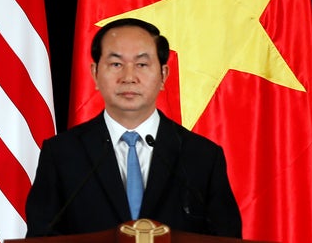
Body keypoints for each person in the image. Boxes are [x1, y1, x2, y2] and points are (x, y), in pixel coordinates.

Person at [24, 18, 241, 237]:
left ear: (163, 75)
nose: (128, 77)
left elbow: (226, 238)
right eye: (116, 64)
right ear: (95, 73)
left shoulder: (202, 156)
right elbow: (41, 237)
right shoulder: (62, 153)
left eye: (142, 64)